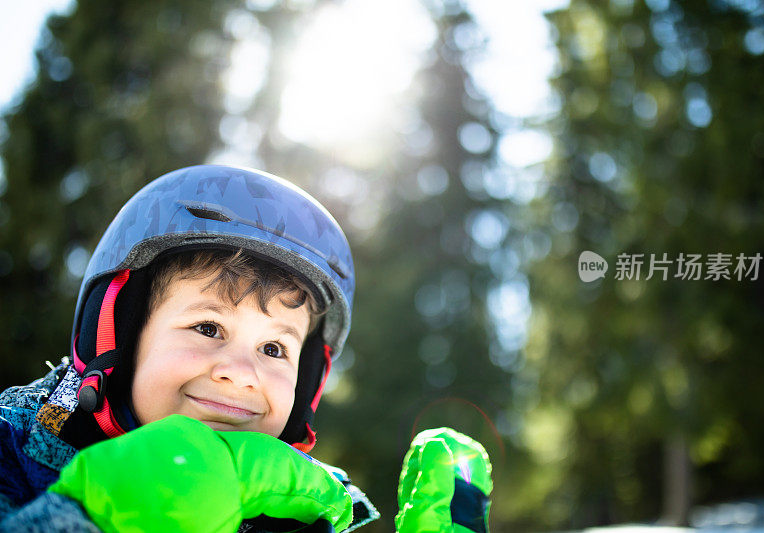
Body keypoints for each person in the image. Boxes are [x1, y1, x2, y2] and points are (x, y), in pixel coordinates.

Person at [0, 164, 492, 532]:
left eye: (275, 349)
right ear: (118, 337)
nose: (241, 373)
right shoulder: (12, 445)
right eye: (209, 328)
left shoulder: (304, 509)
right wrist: (93, 515)